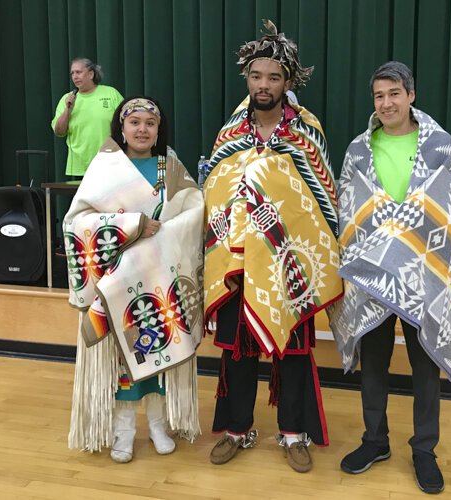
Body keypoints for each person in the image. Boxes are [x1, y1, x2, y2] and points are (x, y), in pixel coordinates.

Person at [330, 61, 451, 494]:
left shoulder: (439, 145)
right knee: (375, 362)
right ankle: (375, 441)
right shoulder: (358, 151)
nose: (386, 103)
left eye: (394, 94)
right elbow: (351, 211)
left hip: (426, 275)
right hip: (373, 275)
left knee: (427, 363)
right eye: (379, 96)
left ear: (411, 95)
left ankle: (424, 449)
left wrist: (406, 234)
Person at [202, 20, 343, 473]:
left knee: (295, 351)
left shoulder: (306, 132)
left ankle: (293, 433)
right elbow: (216, 193)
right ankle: (237, 429)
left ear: (288, 82)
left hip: (290, 261)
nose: (264, 85)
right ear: (247, 78)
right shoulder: (230, 134)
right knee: (238, 350)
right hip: (238, 259)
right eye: (257, 76)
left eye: (274, 77)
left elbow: (321, 199)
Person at [64, 96, 204, 463]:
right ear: (121, 127)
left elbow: (195, 211)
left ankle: (158, 424)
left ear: (159, 130)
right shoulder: (105, 167)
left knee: (159, 349)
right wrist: (131, 225)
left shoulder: (169, 167)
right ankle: (122, 430)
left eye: (150, 123)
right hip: (115, 279)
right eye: (135, 122)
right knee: (123, 361)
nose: (142, 129)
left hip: (157, 277)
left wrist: (162, 233)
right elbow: (75, 222)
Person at [52, 58, 123, 177]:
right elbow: (59, 132)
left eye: (78, 72)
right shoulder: (67, 99)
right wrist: (68, 110)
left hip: (110, 163)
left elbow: (127, 123)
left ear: (91, 74)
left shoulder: (111, 93)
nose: (75, 76)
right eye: (72, 73)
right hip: (80, 167)